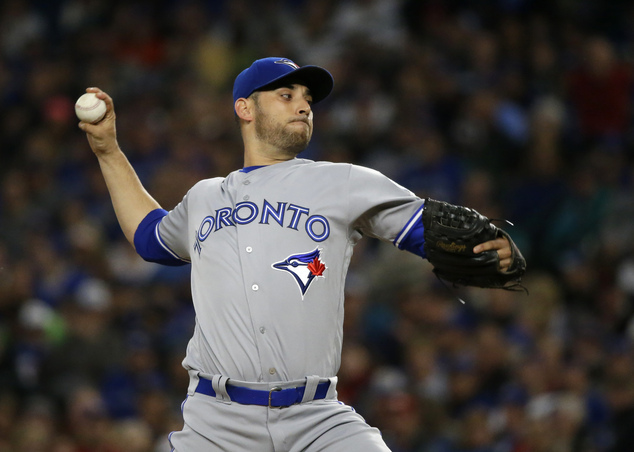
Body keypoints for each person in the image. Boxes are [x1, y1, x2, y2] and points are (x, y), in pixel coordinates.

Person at [79, 57, 515, 451]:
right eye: (286, 95)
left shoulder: (343, 182)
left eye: (307, 99)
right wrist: (108, 151)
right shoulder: (204, 197)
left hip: (317, 417)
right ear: (245, 109)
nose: (304, 106)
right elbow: (150, 238)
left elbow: (428, 230)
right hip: (216, 423)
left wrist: (490, 246)